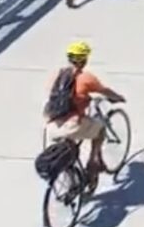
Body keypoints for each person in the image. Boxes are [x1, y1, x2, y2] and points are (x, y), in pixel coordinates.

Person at [43, 41, 126, 185]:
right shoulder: (86, 78)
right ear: (84, 60)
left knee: (69, 148)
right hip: (72, 124)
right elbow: (105, 91)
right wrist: (117, 97)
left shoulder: (57, 75)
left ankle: (71, 179)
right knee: (100, 129)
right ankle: (93, 162)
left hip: (52, 124)